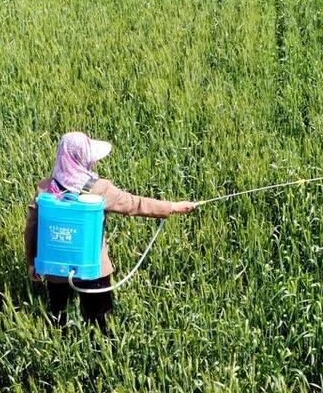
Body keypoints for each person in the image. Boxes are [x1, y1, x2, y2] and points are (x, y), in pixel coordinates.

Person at [24, 132, 195, 335]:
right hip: (93, 269)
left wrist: (32, 262)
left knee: (57, 317)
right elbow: (135, 204)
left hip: (55, 269)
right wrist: (172, 207)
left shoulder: (45, 189)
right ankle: (102, 353)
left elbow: (31, 228)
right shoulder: (99, 189)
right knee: (100, 321)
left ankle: (60, 347)